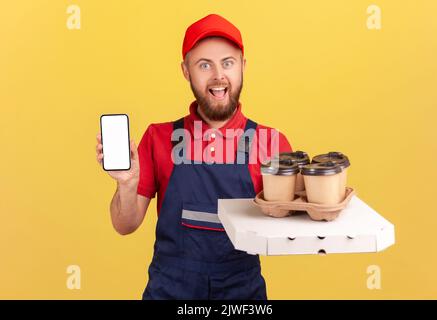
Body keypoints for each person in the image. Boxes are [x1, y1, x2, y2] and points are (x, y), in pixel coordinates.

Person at [95, 13, 292, 299]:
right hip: (170, 290)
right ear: (186, 71)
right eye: (204, 65)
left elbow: (289, 227)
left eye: (228, 62)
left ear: (243, 67)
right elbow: (124, 225)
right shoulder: (157, 138)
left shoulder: (271, 143)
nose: (218, 76)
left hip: (242, 294)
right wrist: (126, 183)